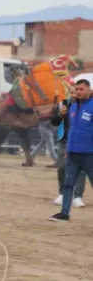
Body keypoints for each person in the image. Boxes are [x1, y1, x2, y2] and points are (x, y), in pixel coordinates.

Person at [50, 79, 93, 222]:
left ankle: (76, 199)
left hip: (89, 154)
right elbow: (69, 129)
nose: (78, 92)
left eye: (82, 89)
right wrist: (69, 148)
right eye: (76, 89)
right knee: (68, 184)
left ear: (89, 91)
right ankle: (64, 213)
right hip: (72, 153)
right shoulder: (71, 107)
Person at [51, 99, 86, 207]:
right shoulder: (63, 103)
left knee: (81, 170)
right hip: (64, 140)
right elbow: (54, 121)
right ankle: (62, 193)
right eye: (73, 91)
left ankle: (77, 196)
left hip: (82, 141)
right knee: (61, 167)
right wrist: (60, 114)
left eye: (79, 89)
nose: (75, 93)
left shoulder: (88, 105)